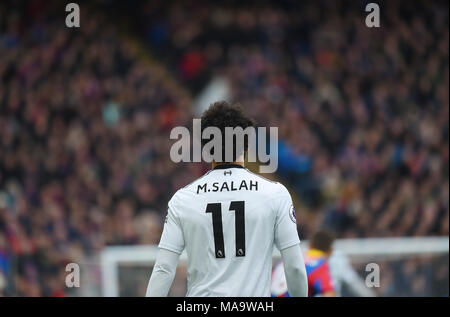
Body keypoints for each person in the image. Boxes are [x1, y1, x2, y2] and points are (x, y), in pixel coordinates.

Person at [146, 101, 308, 297]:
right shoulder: (275, 194)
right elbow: (295, 268)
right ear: (246, 145)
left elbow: (163, 269)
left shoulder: (182, 200)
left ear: (206, 149)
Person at [271, 231, 335, 297]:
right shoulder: (319, 265)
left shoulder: (290, 259)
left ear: (310, 245)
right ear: (331, 251)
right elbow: (329, 293)